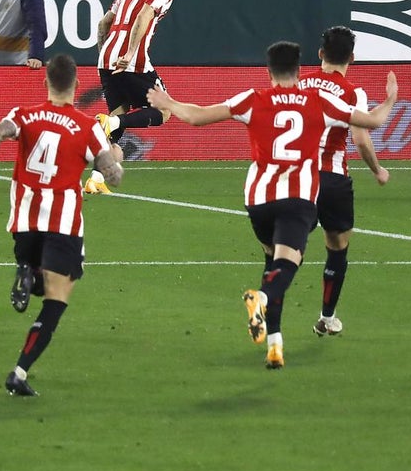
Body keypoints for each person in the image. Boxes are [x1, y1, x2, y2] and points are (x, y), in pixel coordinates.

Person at [146, 42, 397, 369]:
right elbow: (372, 122)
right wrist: (390, 98)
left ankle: (275, 344)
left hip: (259, 200)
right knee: (286, 264)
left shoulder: (253, 99)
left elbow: (196, 117)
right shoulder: (318, 101)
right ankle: (262, 300)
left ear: (269, 71)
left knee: (272, 263)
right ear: (299, 70)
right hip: (296, 198)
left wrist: (168, 102)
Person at [0, 54, 124, 396]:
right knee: (56, 301)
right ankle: (19, 372)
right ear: (76, 85)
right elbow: (113, 177)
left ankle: (28, 269)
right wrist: (116, 158)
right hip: (62, 225)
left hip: (24, 223)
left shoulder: (23, 115)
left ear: (45, 83)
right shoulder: (87, 127)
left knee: (42, 282)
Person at [297, 26, 389, 337]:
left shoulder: (297, 83)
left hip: (296, 177)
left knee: (290, 247)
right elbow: (361, 139)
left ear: (320, 53)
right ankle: (327, 317)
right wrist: (377, 170)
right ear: (352, 58)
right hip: (332, 178)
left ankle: (269, 296)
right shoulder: (352, 92)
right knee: (337, 246)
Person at [84, 0, 182, 195]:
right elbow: (144, 15)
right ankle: (112, 122)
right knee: (164, 110)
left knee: (117, 119)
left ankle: (95, 179)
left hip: (107, 59)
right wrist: (128, 54)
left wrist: (105, 57)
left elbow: (103, 23)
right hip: (131, 59)